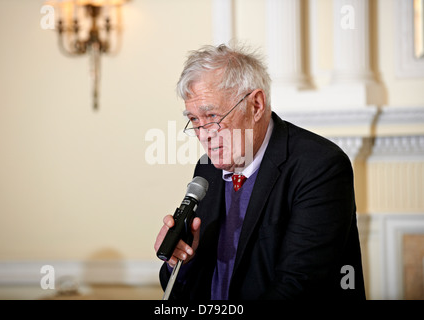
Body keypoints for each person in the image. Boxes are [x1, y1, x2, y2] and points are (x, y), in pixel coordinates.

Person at [154, 43, 365, 300]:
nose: (204, 134)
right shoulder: (206, 169)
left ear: (255, 105)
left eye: (212, 116)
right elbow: (186, 286)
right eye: (195, 120)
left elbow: (298, 288)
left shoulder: (320, 167)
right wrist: (180, 261)